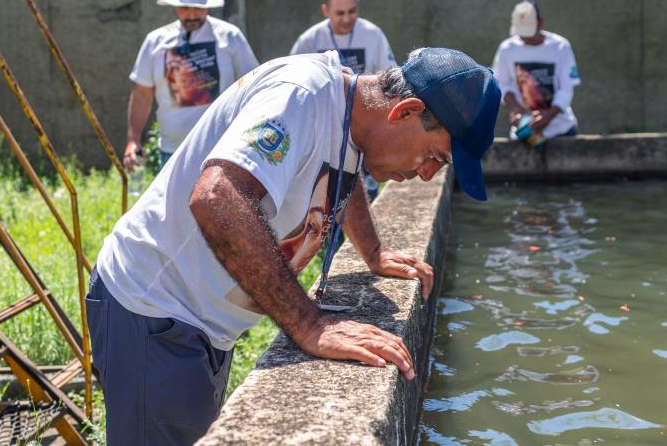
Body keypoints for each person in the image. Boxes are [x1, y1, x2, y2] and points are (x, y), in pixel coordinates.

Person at [87, 47, 501, 444]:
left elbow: (343, 167)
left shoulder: (349, 120)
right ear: (405, 112)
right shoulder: (299, 96)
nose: (428, 175)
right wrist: (310, 324)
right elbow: (217, 198)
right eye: (434, 156)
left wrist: (372, 251)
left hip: (201, 321)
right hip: (153, 309)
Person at [123, 0, 259, 171]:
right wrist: (133, 140)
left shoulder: (230, 37)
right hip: (172, 152)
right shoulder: (156, 42)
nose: (192, 14)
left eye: (199, 7)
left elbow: (254, 86)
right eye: (185, 8)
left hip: (222, 149)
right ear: (175, 6)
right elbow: (142, 94)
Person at [290, 0, 397, 197]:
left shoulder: (373, 35)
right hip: (323, 131)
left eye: (352, 11)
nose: (347, 19)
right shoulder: (309, 40)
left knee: (364, 196)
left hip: (362, 129)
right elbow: (293, 83)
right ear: (325, 10)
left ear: (358, 4)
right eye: (339, 13)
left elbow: (390, 80)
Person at [492, 0, 580, 142]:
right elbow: (501, 84)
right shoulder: (507, 49)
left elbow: (566, 88)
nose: (525, 38)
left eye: (528, 32)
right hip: (525, 133)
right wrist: (516, 109)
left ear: (540, 22)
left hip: (561, 130)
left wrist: (549, 115)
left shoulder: (560, 47)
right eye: (521, 33)